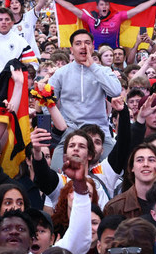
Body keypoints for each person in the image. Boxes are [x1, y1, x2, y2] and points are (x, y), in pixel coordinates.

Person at [48, 30, 121, 168]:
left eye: (87, 43)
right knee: (56, 172)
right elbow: (47, 102)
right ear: (71, 49)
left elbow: (115, 91)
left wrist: (92, 66)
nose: (83, 47)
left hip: (100, 132)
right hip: (70, 132)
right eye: (78, 43)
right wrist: (60, 127)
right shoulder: (61, 73)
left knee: (117, 171)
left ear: (93, 47)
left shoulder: (103, 71)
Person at [51, 0, 156, 49]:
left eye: (106, 4)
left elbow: (137, 10)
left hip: (114, 53)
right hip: (95, 53)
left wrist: (154, 0)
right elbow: (71, 8)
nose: (104, 7)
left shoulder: (118, 17)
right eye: (101, 5)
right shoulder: (91, 18)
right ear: (97, 7)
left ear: (109, 6)